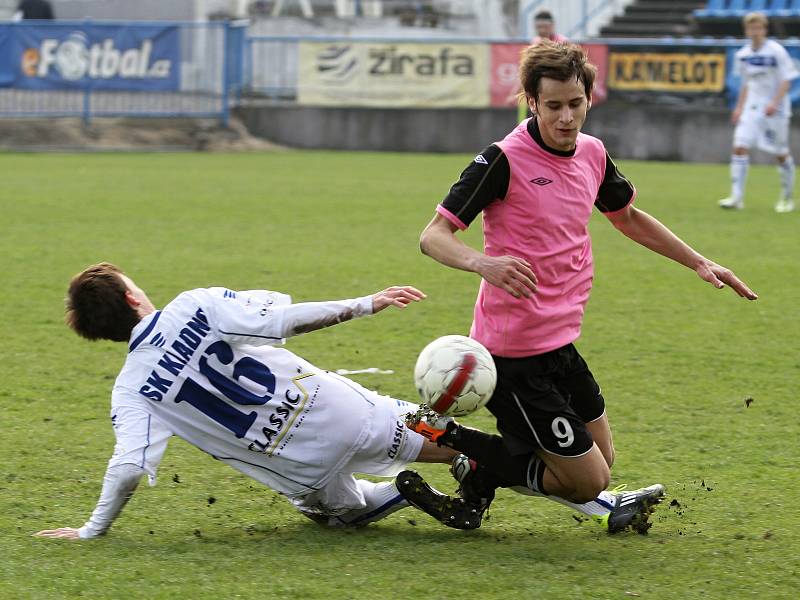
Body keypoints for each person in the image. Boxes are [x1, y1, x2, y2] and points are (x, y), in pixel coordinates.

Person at [408, 42, 758, 534]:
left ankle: (481, 475)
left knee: (603, 461)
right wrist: (482, 263)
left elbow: (628, 218)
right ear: (532, 101)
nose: (567, 117)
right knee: (587, 482)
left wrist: (698, 262)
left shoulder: (592, 153)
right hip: (513, 355)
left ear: (589, 97)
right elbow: (433, 236)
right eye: (553, 106)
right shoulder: (502, 160)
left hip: (560, 343)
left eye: (576, 104)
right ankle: (457, 441)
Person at [34, 263, 480, 540]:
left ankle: (397, 492)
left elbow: (129, 468)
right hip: (344, 411)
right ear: (134, 298)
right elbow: (286, 319)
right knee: (451, 439)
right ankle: (485, 462)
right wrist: (365, 303)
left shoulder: (131, 390)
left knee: (335, 515)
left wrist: (92, 530)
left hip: (303, 468)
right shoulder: (194, 305)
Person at [719, 11, 799, 212]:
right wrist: (739, 108)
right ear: (746, 30)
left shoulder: (776, 51)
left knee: (781, 153)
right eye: (751, 28)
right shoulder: (743, 55)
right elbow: (746, 84)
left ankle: (787, 198)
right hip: (752, 109)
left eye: (758, 28)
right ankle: (736, 198)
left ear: (764, 29)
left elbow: (787, 80)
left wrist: (774, 102)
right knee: (739, 146)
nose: (755, 32)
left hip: (776, 110)